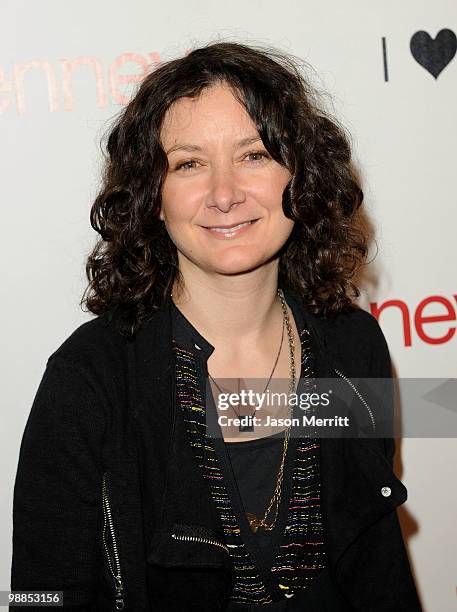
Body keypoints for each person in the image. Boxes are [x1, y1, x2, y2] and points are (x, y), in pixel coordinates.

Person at [10, 41, 422, 611]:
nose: (225, 194)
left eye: (253, 155)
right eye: (189, 163)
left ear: (299, 174)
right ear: (153, 196)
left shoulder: (353, 344)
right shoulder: (90, 377)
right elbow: (41, 595)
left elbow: (375, 560)